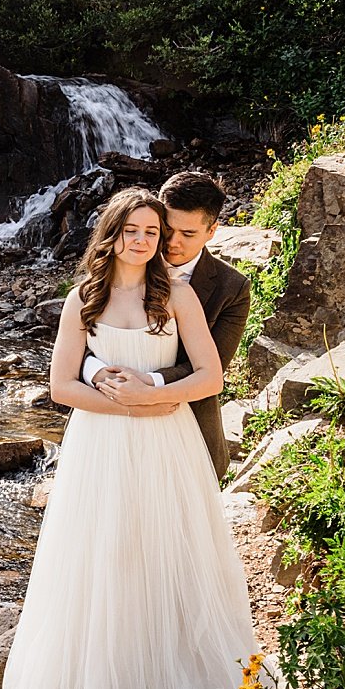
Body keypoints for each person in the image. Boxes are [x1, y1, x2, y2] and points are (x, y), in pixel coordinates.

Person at [1, 187, 259, 689]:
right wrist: (123, 404)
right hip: (101, 442)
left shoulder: (180, 297)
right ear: (111, 234)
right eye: (132, 231)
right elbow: (61, 385)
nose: (143, 241)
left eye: (152, 232)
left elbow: (211, 378)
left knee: (171, 552)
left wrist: (154, 395)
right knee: (105, 554)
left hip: (169, 441)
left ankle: (178, 684)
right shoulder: (82, 301)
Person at [82, 171, 250, 480]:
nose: (172, 243)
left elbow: (211, 367)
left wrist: (146, 384)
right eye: (167, 229)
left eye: (187, 234)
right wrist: (96, 373)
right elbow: (79, 343)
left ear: (212, 230)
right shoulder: (118, 264)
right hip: (109, 430)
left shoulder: (231, 288)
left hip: (188, 432)